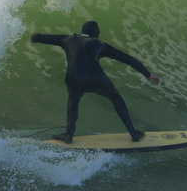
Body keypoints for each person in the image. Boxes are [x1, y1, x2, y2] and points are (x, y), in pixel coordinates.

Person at [30, 20, 160, 143]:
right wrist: (148, 74)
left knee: (73, 102)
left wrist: (34, 36)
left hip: (74, 79)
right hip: (96, 78)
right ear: (95, 32)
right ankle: (133, 133)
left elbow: (45, 38)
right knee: (116, 98)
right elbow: (128, 59)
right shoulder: (99, 44)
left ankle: (69, 135)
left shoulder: (68, 39)